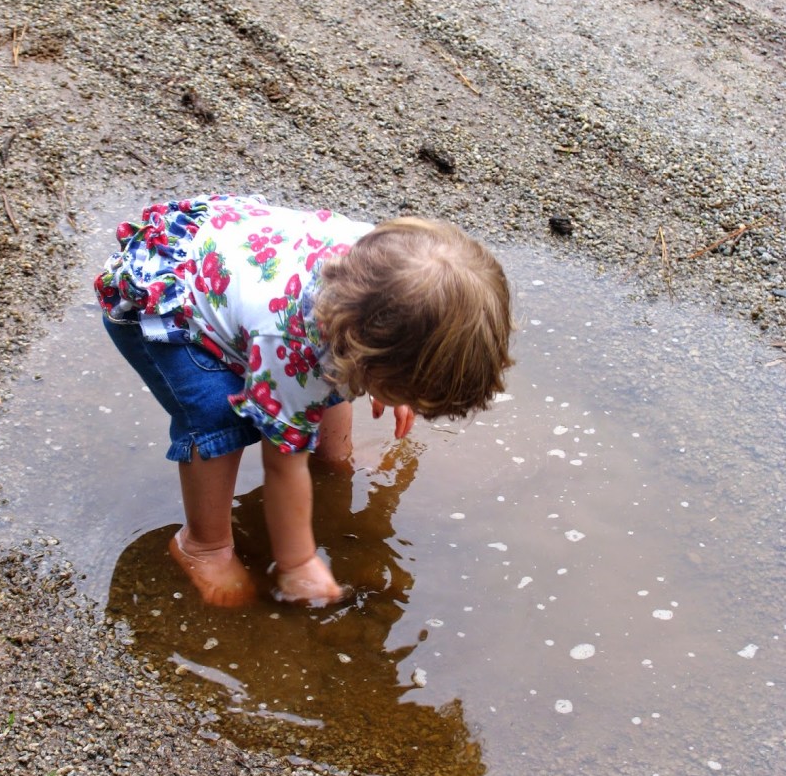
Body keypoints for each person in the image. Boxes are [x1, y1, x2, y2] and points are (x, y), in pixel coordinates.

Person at [95, 192, 514, 607]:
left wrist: (399, 383)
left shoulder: (388, 275)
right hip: (167, 301)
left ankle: (334, 458)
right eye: (411, 392)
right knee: (218, 415)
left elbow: (353, 358)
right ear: (375, 354)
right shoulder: (290, 344)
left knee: (325, 377)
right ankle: (204, 545)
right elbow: (282, 466)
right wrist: (297, 561)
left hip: (239, 264)